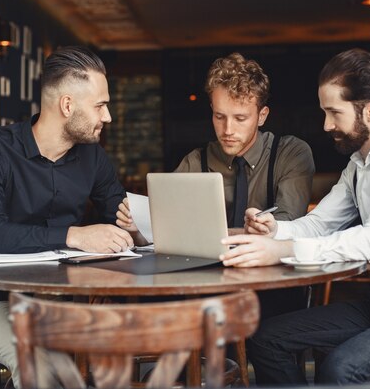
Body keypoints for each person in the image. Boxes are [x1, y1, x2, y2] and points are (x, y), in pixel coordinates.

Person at [221, 48, 370, 385]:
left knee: (340, 367)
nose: (326, 125)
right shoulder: (358, 165)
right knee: (267, 337)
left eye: (334, 112)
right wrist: (274, 230)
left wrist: (284, 250)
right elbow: (320, 223)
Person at [0, 45, 133, 387]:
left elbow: (119, 214)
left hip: (67, 304)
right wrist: (75, 235)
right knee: (37, 364)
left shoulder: (93, 158)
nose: (108, 116)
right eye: (100, 105)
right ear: (67, 106)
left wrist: (133, 225)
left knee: (122, 354)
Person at [116, 52, 315, 318]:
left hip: (272, 290)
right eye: (219, 117)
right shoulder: (196, 160)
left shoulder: (291, 153)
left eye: (240, 118)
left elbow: (290, 224)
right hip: (206, 291)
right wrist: (138, 229)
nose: (228, 129)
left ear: (262, 115)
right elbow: (167, 234)